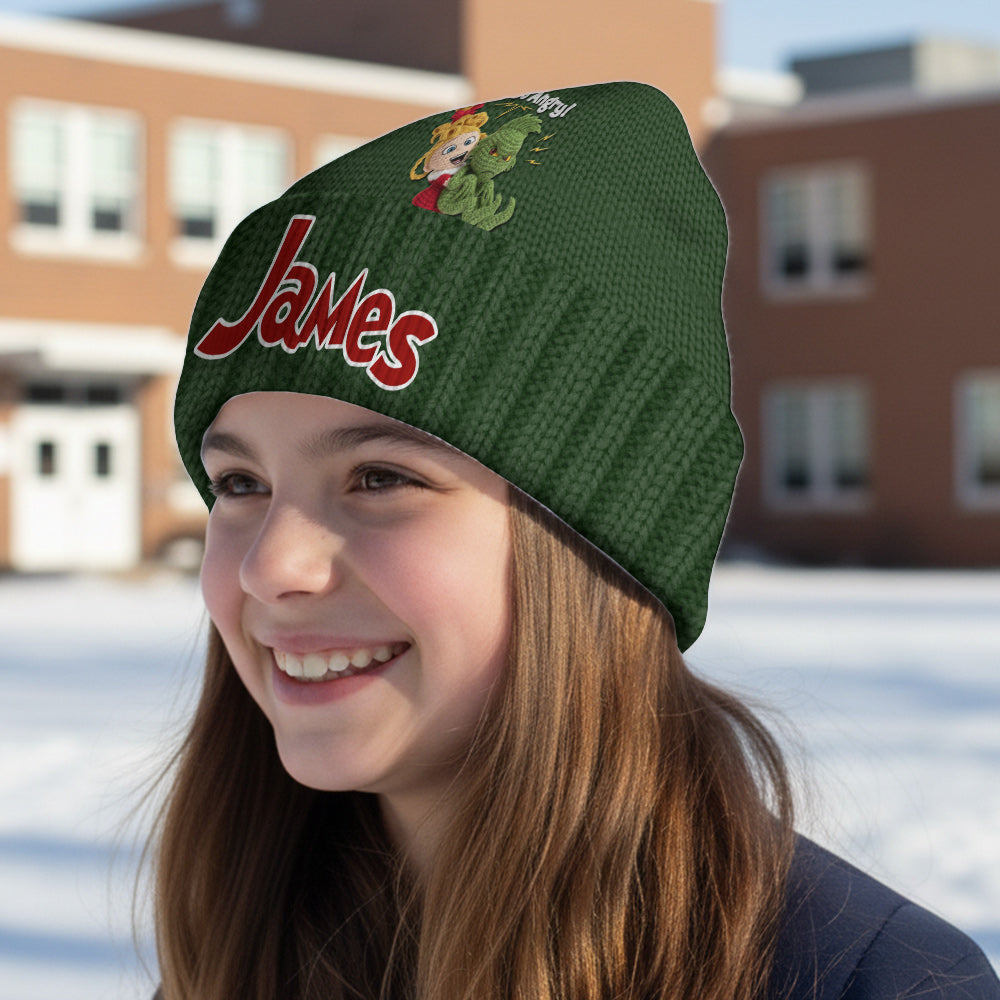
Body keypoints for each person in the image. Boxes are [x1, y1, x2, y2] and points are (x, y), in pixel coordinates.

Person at [158, 82, 999, 999]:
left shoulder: (875, 984)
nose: (272, 565)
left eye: (381, 478)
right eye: (240, 483)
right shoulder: (244, 948)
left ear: (597, 542)